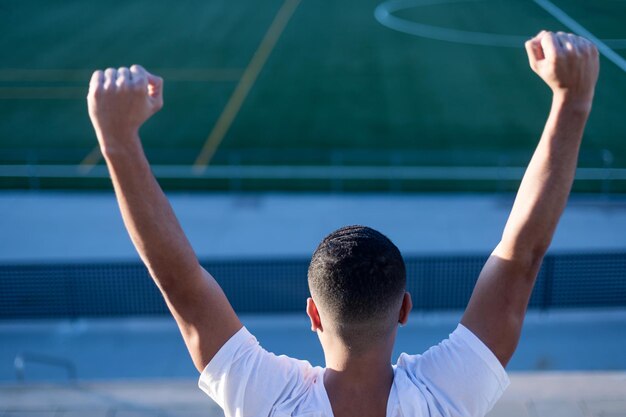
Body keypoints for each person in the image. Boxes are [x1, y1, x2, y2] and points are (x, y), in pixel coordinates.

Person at [87, 30, 599, 417]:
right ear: (404, 308)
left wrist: (116, 141)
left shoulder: (271, 401)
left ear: (313, 313)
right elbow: (521, 258)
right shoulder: (444, 396)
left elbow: (181, 284)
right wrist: (572, 102)